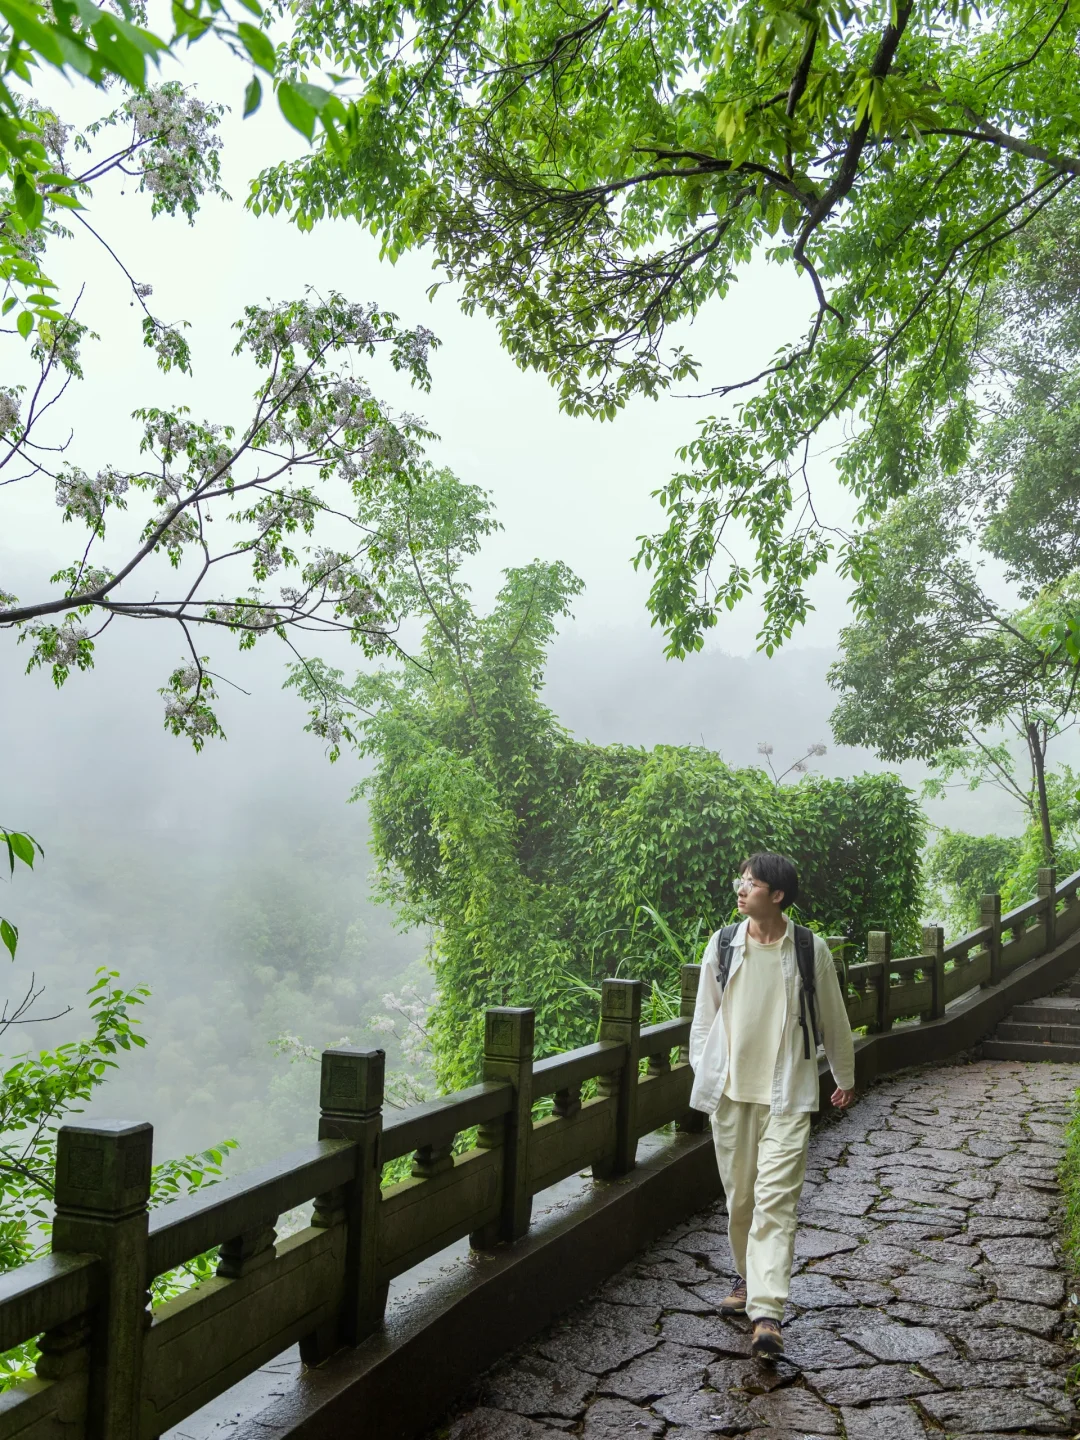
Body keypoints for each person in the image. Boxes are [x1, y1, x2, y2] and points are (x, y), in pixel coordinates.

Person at [688, 851, 856, 1360]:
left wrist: (845, 1077)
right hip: (733, 1095)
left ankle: (767, 1314)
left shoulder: (808, 949)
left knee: (775, 1203)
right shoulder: (723, 946)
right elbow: (702, 1021)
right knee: (741, 1199)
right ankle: (745, 1277)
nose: (741, 889)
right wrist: (706, 1072)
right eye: (740, 880)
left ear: (777, 895)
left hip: (788, 1096)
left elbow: (834, 1019)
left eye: (752, 883)